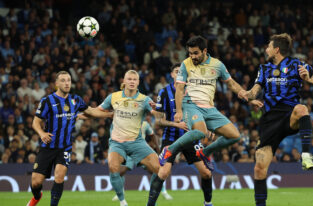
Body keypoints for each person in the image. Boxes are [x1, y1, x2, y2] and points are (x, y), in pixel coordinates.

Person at [153, 36, 261, 206]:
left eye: (195, 53)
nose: (192, 56)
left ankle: (205, 153)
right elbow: (180, 88)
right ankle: (169, 149)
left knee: (235, 135)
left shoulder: (217, 65)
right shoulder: (185, 64)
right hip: (191, 104)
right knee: (202, 132)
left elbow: (232, 84)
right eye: (190, 53)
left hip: (210, 108)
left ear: (204, 51)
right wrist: (179, 111)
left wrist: (249, 98)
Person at [242, 33, 313, 206]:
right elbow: (254, 91)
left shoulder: (297, 64)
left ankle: (306, 156)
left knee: (302, 109)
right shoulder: (264, 68)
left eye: (268, 46)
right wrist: (247, 95)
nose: (265, 49)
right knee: (259, 168)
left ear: (276, 49)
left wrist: (309, 79)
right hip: (269, 121)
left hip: (289, 115)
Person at [27, 71, 112, 206]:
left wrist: (110, 115)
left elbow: (90, 111)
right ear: (56, 83)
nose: (67, 83)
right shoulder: (47, 101)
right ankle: (37, 197)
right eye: (63, 80)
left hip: (65, 146)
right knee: (36, 182)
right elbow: (35, 122)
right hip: (48, 146)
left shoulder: (76, 100)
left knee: (59, 177)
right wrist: (42, 133)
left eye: (68, 80)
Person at [99, 70, 178, 206]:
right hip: (117, 143)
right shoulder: (113, 97)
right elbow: (98, 110)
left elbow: (157, 116)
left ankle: (152, 201)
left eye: (134, 79)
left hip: (137, 143)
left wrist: (158, 110)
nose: (131, 81)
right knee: (113, 167)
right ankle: (122, 201)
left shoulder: (144, 99)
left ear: (138, 82)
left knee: (161, 171)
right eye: (129, 79)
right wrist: (82, 113)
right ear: (124, 81)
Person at [147, 63, 214, 206]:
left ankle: (208, 203)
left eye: (182, 72)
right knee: (163, 173)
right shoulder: (164, 93)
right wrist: (176, 124)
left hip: (191, 138)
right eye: (177, 71)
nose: (179, 74)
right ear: (172, 75)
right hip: (171, 138)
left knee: (206, 173)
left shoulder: (194, 92)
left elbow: (204, 114)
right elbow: (159, 121)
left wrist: (209, 127)